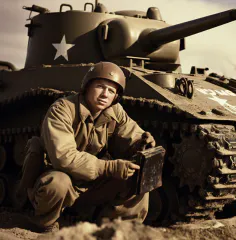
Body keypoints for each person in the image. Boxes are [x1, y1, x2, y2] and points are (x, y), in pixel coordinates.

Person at [17, 62, 155, 232]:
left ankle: (117, 229)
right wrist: (109, 167)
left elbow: (131, 133)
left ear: (116, 97)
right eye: (100, 87)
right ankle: (44, 222)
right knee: (57, 183)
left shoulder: (114, 111)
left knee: (138, 178)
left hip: (92, 182)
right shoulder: (62, 109)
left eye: (111, 91)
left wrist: (142, 142)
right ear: (87, 87)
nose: (105, 94)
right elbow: (64, 157)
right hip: (62, 178)